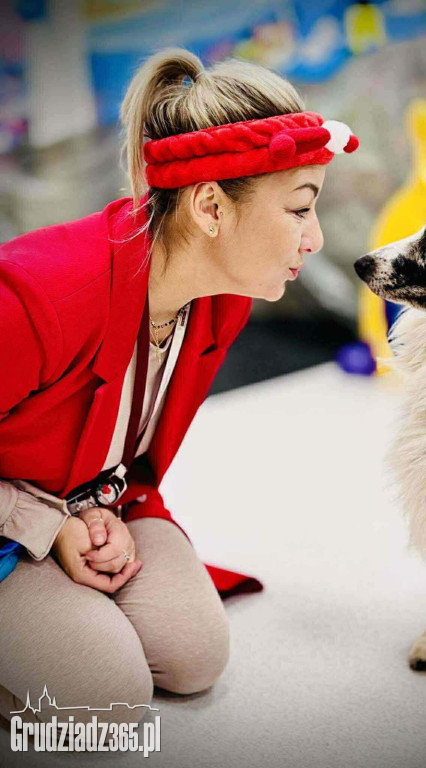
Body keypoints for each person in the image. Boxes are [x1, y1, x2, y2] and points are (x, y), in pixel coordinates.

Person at [0, 47, 358, 736]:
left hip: (92, 498)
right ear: (209, 207)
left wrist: (94, 512)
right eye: (299, 209)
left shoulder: (219, 299)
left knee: (196, 656)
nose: (314, 239)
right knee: (105, 701)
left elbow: (126, 448)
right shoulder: (40, 296)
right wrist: (46, 527)